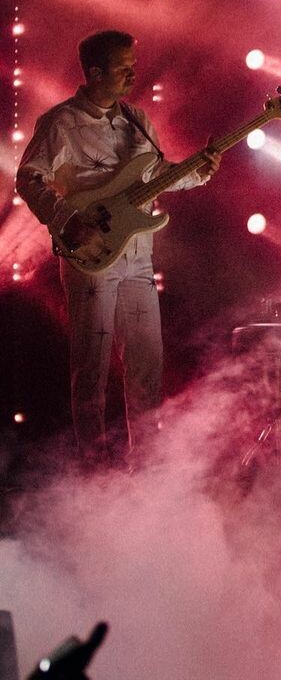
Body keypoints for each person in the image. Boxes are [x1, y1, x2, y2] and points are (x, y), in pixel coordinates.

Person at [15, 29, 220, 465]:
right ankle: (93, 468)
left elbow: (157, 175)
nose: (132, 74)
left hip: (139, 258)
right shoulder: (61, 122)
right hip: (90, 257)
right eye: (123, 68)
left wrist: (198, 171)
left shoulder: (137, 119)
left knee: (147, 363)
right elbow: (29, 178)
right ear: (95, 73)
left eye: (133, 66)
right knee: (91, 368)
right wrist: (67, 221)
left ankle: (146, 468)